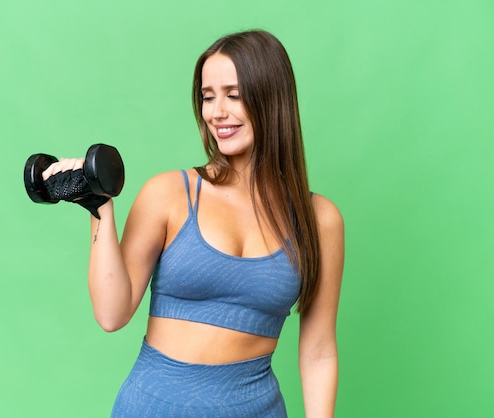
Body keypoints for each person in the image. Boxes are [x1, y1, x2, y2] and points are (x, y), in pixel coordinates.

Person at [43, 29, 344, 418]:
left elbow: (319, 352)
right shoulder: (168, 194)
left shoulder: (319, 220)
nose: (217, 112)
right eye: (207, 96)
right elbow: (111, 313)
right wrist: (98, 208)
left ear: (272, 99)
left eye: (234, 95)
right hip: (153, 407)